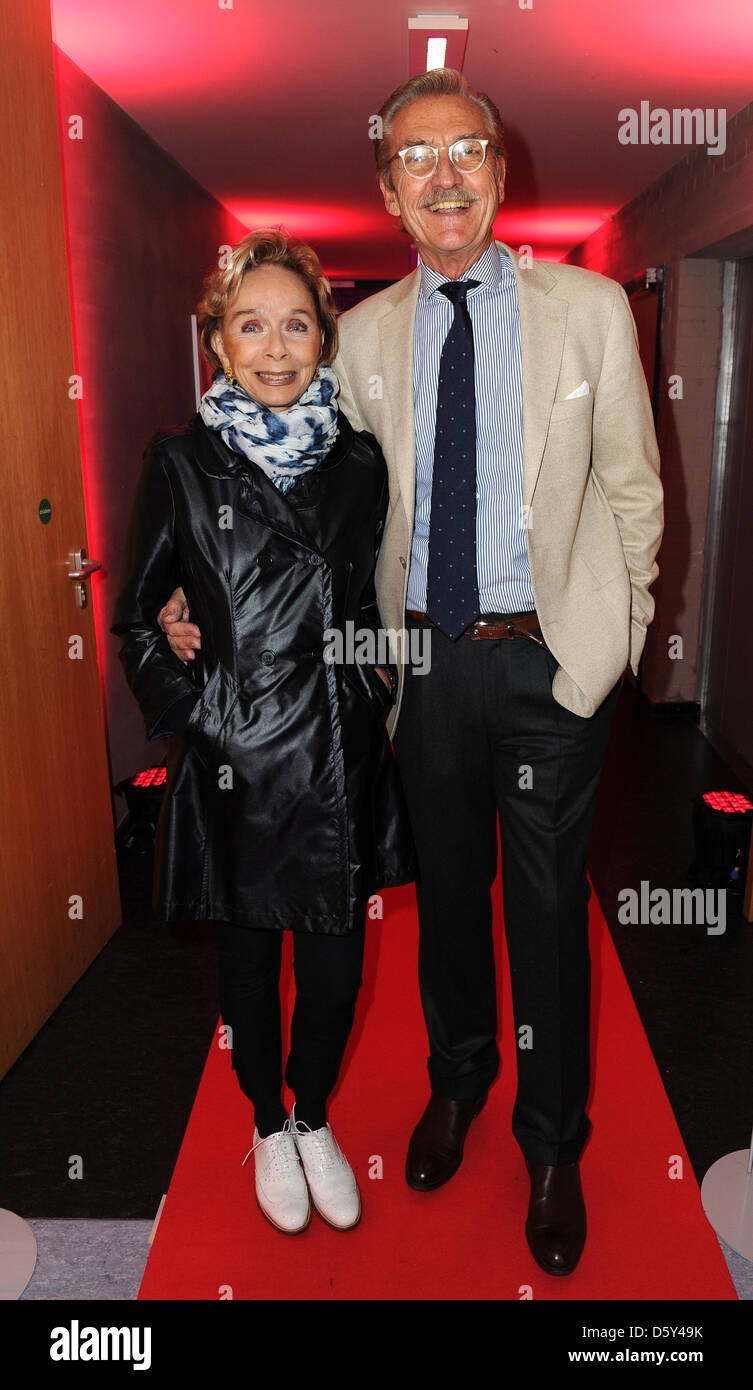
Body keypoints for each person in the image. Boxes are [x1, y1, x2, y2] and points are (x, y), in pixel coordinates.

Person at [160, 68, 664, 1276]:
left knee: (542, 916)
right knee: (444, 899)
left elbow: (638, 494)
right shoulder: (365, 334)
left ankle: (552, 1145)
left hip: (547, 666)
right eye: (419, 156)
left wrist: (613, 638)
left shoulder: (591, 310)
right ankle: (458, 1085)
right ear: (389, 186)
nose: (447, 174)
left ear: (500, 169)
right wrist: (191, 584)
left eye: (469, 151)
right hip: (417, 670)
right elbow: (295, 475)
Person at [111, 229, 415, 1236]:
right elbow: (136, 613)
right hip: (236, 758)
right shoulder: (180, 462)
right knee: (248, 966)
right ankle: (264, 1121)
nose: (275, 348)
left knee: (336, 970)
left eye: (296, 325)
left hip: (335, 750)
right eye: (251, 326)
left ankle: (314, 1112)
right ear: (217, 341)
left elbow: (376, 592)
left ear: (324, 339)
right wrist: (197, 711)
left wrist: (378, 682)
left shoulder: (361, 462)